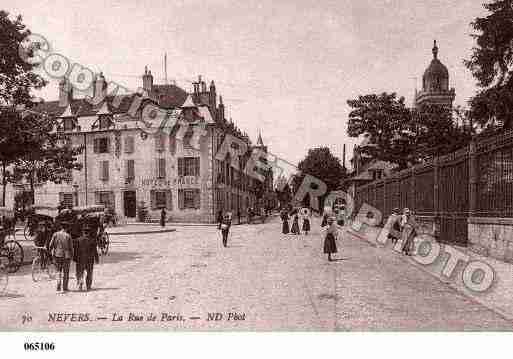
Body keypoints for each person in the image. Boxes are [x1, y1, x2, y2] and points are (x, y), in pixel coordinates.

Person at [74, 222, 100, 291]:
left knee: (80, 272)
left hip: (80, 259)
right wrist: (97, 259)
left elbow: (75, 251)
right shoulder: (92, 240)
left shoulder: (78, 240)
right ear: (89, 233)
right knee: (89, 273)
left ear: (83, 232)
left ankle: (80, 284)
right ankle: (88, 286)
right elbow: (95, 251)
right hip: (89, 260)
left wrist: (75, 259)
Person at [49, 223, 73, 292]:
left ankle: (58, 286)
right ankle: (65, 288)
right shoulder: (68, 236)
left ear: (61, 227)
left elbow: (51, 245)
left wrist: (51, 252)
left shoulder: (55, 234)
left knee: (58, 271)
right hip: (66, 256)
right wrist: (72, 256)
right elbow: (71, 248)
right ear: (66, 228)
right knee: (66, 272)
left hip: (57, 255)